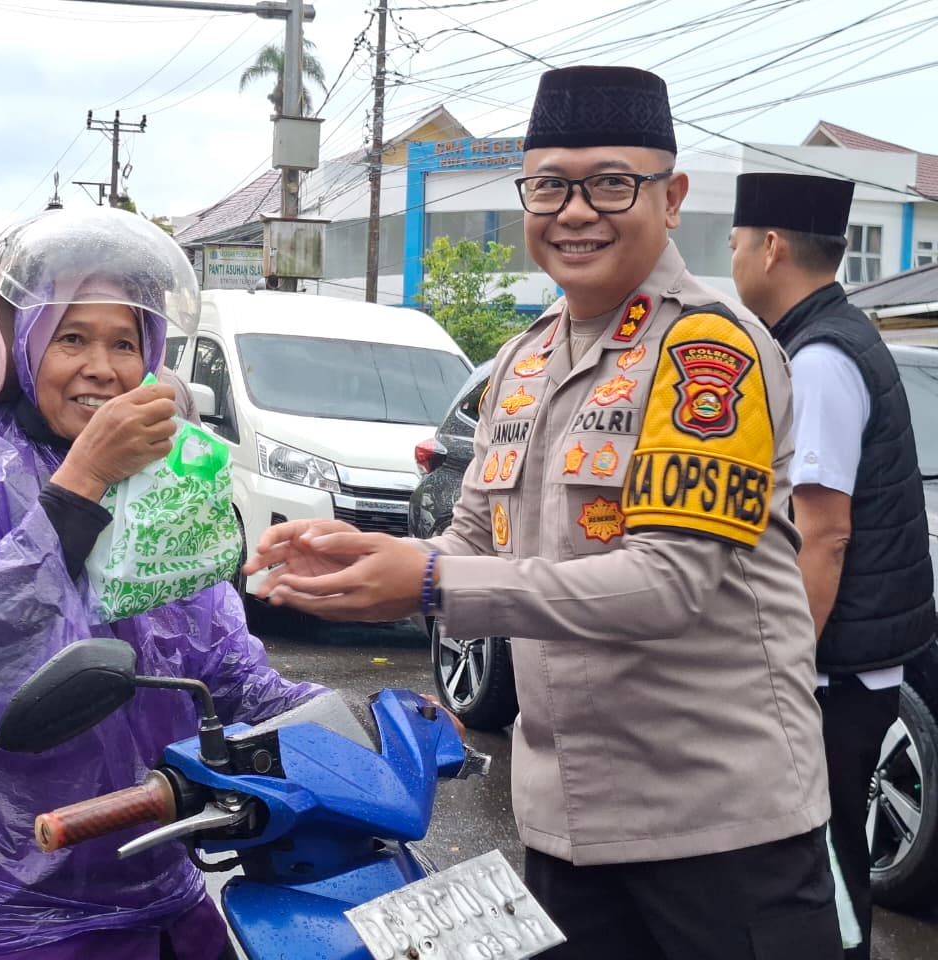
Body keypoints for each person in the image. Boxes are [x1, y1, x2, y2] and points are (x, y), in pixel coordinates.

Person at [244, 65, 842, 959]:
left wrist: (433, 583)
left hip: (721, 831)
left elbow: (669, 586)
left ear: (671, 197)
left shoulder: (708, 353)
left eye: (611, 183)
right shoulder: (523, 360)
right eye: (551, 185)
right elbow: (474, 538)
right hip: (567, 821)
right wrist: (363, 555)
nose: (575, 211)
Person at [0, 205, 323, 960]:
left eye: (125, 342)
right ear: (18, 351)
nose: (103, 367)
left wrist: (333, 718)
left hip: (149, 865)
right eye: (72, 339)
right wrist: (83, 481)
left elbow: (221, 663)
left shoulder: (169, 487)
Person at [730, 172, 935, 958]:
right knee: (822, 860)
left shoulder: (818, 360)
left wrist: (786, 662)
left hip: (829, 674)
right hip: (853, 666)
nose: (736, 258)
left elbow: (824, 534)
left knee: (823, 873)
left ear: (772, 246)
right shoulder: (834, 338)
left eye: (739, 243)